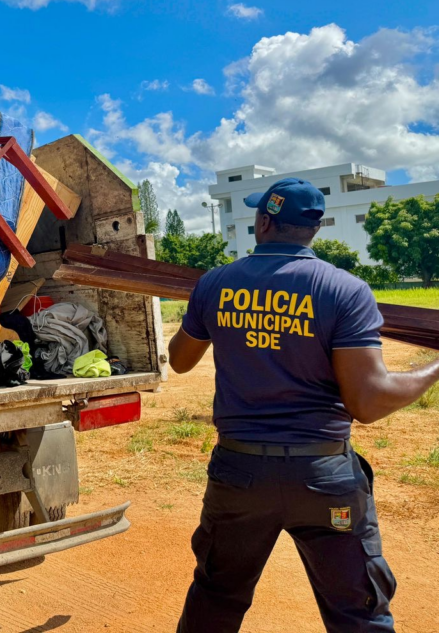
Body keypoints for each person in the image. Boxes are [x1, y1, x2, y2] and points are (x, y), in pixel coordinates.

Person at [170, 178, 439, 633]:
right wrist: (433, 370)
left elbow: (179, 361)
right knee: (359, 613)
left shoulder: (215, 283)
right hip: (324, 479)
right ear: (312, 229)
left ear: (263, 222)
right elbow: (368, 402)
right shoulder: (345, 290)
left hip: (239, 477)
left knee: (216, 596)